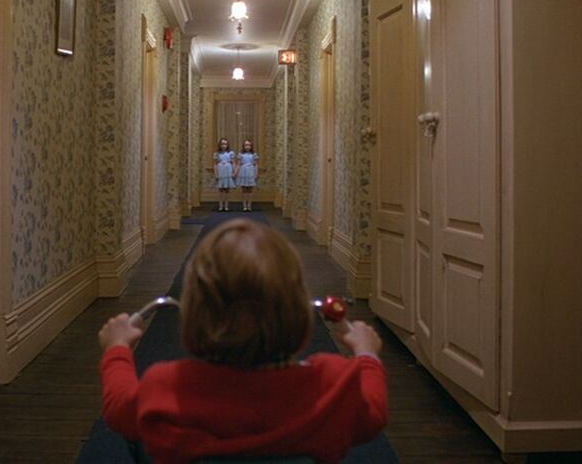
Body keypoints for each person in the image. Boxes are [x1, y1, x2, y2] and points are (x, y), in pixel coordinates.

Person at [98, 219, 389, 464]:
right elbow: (374, 413)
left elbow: (119, 407)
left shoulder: (165, 386)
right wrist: (366, 354)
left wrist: (117, 349)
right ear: (296, 311)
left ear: (196, 314)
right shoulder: (333, 383)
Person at [235, 139, 259, 211]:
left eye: (249, 145)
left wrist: (256, 173)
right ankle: (244, 205)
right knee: (244, 189)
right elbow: (238, 164)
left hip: (251, 171)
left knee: (250, 189)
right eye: (246, 145)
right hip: (243, 171)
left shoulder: (254, 155)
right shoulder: (241, 154)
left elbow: (256, 165)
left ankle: (249, 205)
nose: (247, 146)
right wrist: (235, 173)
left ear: (251, 146)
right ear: (243, 146)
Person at [213, 138, 236, 211]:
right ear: (220, 145)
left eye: (225, 144)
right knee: (221, 189)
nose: (224, 145)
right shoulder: (217, 154)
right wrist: (216, 174)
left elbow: (233, 163)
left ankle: (226, 205)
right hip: (221, 170)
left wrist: (234, 172)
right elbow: (215, 164)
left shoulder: (230, 153)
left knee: (227, 189)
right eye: (222, 144)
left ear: (227, 145)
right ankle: (220, 205)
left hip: (228, 170)